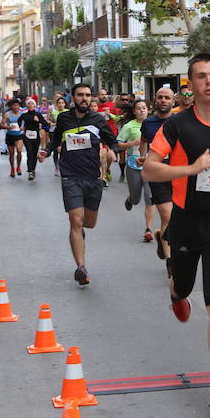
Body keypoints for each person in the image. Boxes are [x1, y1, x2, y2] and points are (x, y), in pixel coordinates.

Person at [143, 53, 210, 409]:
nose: (208, 81)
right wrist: (190, 169)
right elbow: (149, 169)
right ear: (190, 85)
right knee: (184, 287)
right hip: (186, 224)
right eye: (201, 76)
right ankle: (176, 293)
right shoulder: (176, 126)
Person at [38, 83, 120, 286]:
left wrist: (114, 151)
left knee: (88, 223)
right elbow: (55, 139)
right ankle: (81, 267)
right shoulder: (64, 118)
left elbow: (112, 140)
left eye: (87, 95)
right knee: (75, 220)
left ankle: (79, 234)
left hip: (93, 177)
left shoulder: (98, 120)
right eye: (80, 95)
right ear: (72, 98)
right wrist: (46, 152)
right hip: (70, 176)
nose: (84, 98)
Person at [139, 86, 175, 248]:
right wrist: (143, 156)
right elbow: (144, 142)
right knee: (167, 217)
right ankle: (170, 262)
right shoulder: (148, 123)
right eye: (160, 97)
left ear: (173, 101)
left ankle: (164, 238)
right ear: (155, 100)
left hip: (179, 173)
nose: (163, 100)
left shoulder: (179, 122)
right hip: (157, 173)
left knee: (177, 217)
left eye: (167, 98)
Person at [119, 100, 156, 236]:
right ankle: (130, 199)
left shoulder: (154, 124)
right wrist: (131, 144)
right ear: (134, 111)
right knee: (136, 199)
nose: (141, 111)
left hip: (151, 166)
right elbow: (118, 144)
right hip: (134, 165)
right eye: (139, 108)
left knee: (150, 198)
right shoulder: (129, 126)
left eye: (144, 108)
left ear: (149, 110)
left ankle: (148, 229)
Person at [18, 98, 49, 181]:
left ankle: (33, 169)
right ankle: (30, 171)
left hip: (36, 137)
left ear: (34, 105)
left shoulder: (38, 114)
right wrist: (20, 126)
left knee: (34, 154)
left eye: (32, 104)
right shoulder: (24, 115)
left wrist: (38, 121)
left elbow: (45, 123)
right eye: (29, 104)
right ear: (27, 106)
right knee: (29, 153)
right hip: (27, 136)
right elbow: (19, 120)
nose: (30, 105)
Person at [0, 99, 25, 177]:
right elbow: (1, 125)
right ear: (11, 106)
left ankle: (19, 167)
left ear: (19, 106)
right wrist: (8, 127)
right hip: (10, 135)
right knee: (11, 154)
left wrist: (23, 127)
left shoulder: (22, 114)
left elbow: (26, 123)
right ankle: (12, 168)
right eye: (14, 105)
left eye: (17, 105)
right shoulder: (7, 114)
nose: (16, 107)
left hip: (19, 135)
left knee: (19, 151)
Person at [48, 96, 68, 176]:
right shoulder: (54, 112)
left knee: (63, 150)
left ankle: (63, 165)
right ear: (56, 104)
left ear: (65, 104)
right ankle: (56, 165)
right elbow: (48, 120)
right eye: (59, 103)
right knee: (56, 150)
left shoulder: (68, 111)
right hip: (54, 132)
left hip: (65, 133)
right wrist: (52, 123)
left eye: (62, 103)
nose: (61, 104)